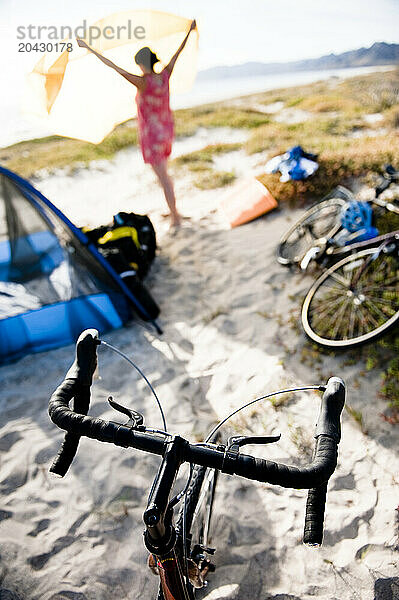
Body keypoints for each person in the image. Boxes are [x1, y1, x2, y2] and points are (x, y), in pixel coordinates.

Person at [77, 19, 197, 228]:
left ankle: (176, 216)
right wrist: (189, 31)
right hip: (166, 132)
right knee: (165, 175)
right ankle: (174, 211)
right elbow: (179, 52)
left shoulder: (143, 82)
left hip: (152, 136)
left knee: (163, 178)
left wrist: (89, 49)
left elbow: (114, 67)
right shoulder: (165, 75)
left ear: (142, 64)